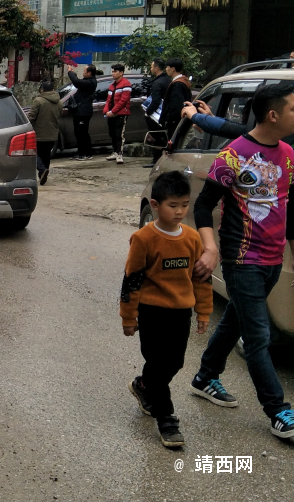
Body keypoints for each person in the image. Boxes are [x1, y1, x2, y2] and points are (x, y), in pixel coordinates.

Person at [190, 82, 294, 440]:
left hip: (273, 258)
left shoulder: (288, 155)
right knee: (258, 335)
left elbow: (287, 208)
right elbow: (203, 205)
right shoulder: (233, 156)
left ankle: (205, 377)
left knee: (236, 320)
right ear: (274, 114)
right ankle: (279, 410)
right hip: (242, 258)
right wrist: (210, 247)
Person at [121, 171, 213, 448]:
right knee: (158, 361)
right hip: (151, 312)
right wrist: (129, 316)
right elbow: (132, 280)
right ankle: (166, 418)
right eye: (173, 205)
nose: (180, 211)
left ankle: (144, 386)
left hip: (180, 312)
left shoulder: (192, 238)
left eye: (184, 205)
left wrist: (204, 312)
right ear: (155, 204)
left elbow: (201, 279)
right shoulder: (143, 238)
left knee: (174, 363)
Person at [27, 81, 61, 185]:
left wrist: (25, 125)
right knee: (46, 155)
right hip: (53, 134)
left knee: (34, 154)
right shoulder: (59, 102)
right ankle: (43, 174)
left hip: (39, 134)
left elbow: (31, 116)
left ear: (42, 90)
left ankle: (42, 170)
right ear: (53, 90)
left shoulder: (38, 101)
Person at [143, 59, 171, 168]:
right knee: (163, 137)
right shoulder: (168, 80)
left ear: (156, 68)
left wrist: (148, 112)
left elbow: (156, 100)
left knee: (155, 136)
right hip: (166, 114)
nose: (150, 69)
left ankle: (156, 161)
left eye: (151, 66)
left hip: (157, 116)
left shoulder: (157, 83)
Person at [66, 65, 97, 160]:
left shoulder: (91, 82)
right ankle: (81, 152)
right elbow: (78, 81)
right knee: (78, 133)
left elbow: (76, 82)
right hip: (79, 111)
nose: (83, 72)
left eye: (84, 70)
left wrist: (70, 72)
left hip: (84, 112)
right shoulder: (86, 81)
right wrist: (73, 73)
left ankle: (86, 153)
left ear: (89, 73)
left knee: (82, 133)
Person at [104, 63, 132, 165]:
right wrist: (106, 111)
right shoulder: (112, 86)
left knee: (119, 134)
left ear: (121, 72)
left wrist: (113, 111)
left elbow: (123, 101)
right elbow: (108, 100)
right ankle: (115, 151)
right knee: (112, 133)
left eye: (115, 71)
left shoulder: (126, 84)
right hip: (111, 114)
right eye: (112, 71)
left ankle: (120, 153)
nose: (113, 73)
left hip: (121, 114)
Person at [162, 58, 193, 145]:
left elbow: (177, 104)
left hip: (175, 121)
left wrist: (169, 119)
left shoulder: (177, 84)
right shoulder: (183, 81)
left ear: (173, 69)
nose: (166, 69)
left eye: (167, 67)